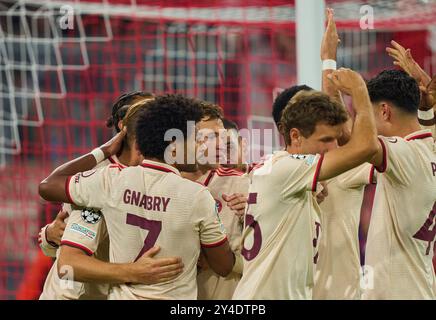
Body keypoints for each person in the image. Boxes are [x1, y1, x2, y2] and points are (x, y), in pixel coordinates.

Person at [39, 94, 236, 299]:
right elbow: (224, 265)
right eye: (195, 139)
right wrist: (134, 271)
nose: (199, 147)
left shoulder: (108, 181)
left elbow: (48, 186)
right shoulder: (197, 196)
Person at [233, 68, 380, 299]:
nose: (333, 147)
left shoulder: (284, 173)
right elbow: (366, 147)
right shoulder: (288, 170)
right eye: (326, 140)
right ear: (295, 136)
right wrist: (360, 91)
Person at [313, 8, 376, 300]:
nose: (334, 137)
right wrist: (359, 94)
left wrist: (327, 60)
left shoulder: (276, 170)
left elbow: (349, 135)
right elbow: (359, 140)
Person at [362, 69, 436, 299]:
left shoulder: (404, 153)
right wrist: (426, 109)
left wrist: (356, 90)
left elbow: (363, 144)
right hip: (419, 285)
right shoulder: (428, 150)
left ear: (384, 111)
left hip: (397, 292)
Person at [182, 103, 249, 300]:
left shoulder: (243, 184)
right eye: (211, 137)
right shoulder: (159, 185)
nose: (220, 144)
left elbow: (267, 254)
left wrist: (256, 214)